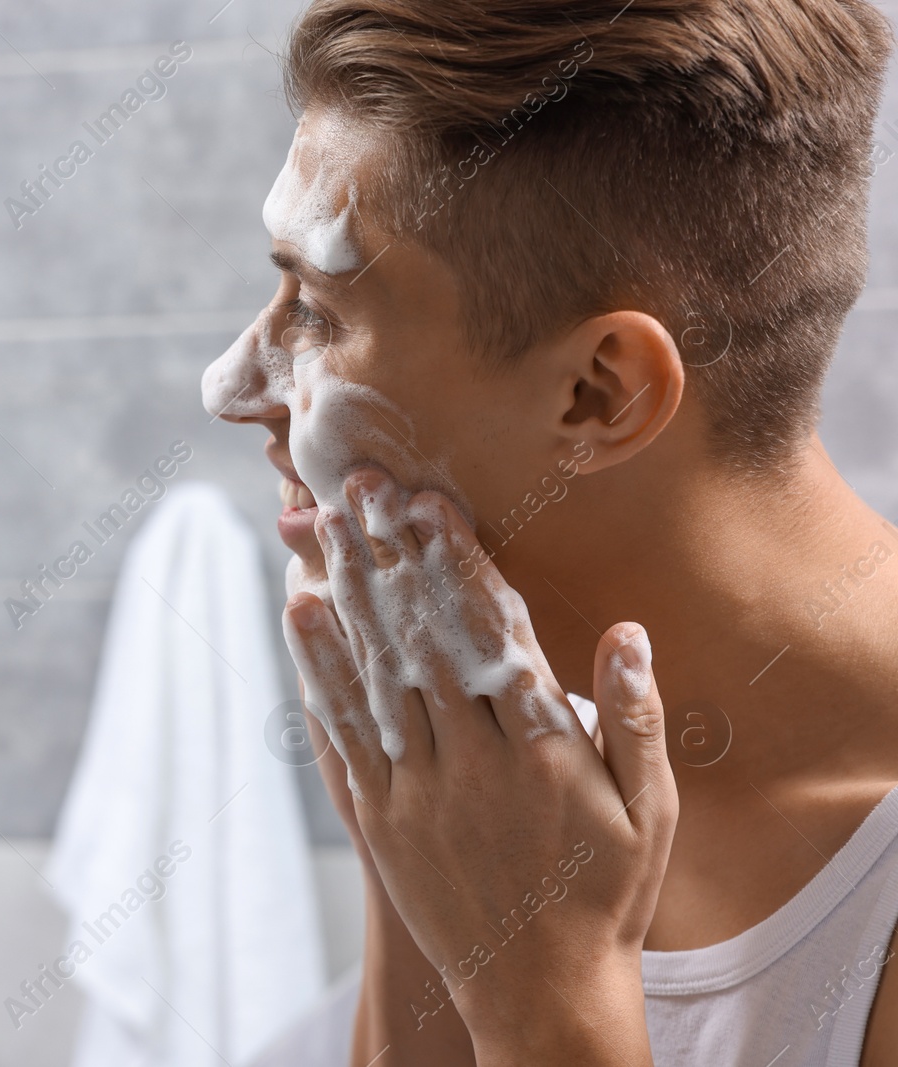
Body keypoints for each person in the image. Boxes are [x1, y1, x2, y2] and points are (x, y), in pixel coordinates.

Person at [205, 0, 898, 1064]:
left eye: (320, 310)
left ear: (597, 392)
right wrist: (411, 853)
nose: (230, 386)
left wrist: (550, 1002)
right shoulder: (499, 765)